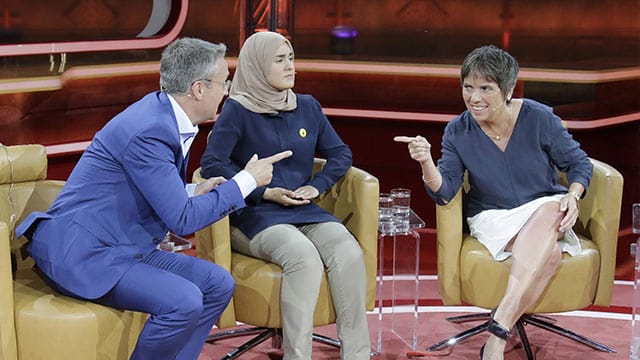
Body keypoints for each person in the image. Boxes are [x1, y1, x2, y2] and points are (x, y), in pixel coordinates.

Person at [16, 37, 292, 360]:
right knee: (184, 300)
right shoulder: (150, 130)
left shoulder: (164, 115)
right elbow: (182, 219)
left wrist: (192, 191)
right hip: (83, 253)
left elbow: (156, 191)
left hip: (122, 244)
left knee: (218, 283)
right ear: (198, 89)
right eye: (223, 83)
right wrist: (246, 181)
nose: (227, 90)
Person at [395, 45, 592, 360]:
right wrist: (425, 162)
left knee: (552, 209)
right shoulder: (458, 130)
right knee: (550, 252)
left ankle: (498, 331)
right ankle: (501, 329)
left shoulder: (539, 117)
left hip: (543, 207)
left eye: (486, 89)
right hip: (492, 216)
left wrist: (573, 194)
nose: (474, 98)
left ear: (509, 90)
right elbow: (444, 192)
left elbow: (579, 164)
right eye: (468, 87)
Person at [199, 31, 371, 360]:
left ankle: (358, 355)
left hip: (304, 209)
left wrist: (317, 187)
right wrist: (263, 190)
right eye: (280, 60)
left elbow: (341, 154)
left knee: (348, 250)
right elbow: (212, 164)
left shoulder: (307, 106)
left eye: (290, 58)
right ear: (257, 66)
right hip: (254, 212)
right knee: (302, 258)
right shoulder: (237, 110)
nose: (290, 66)